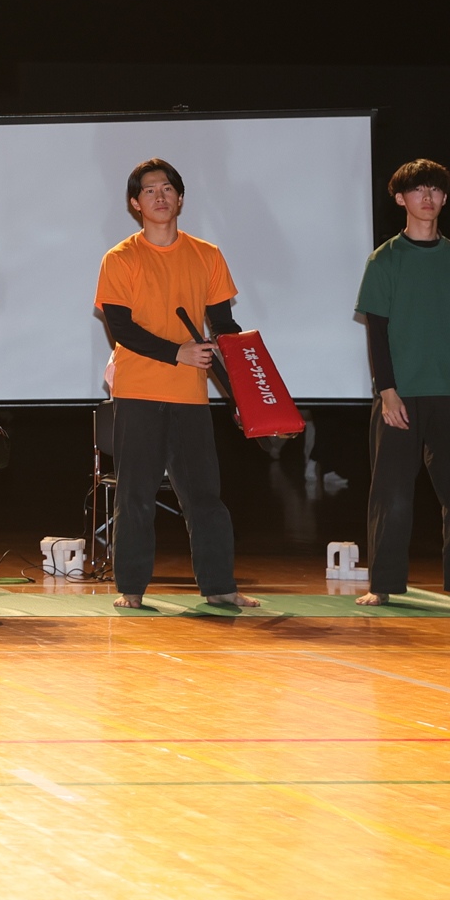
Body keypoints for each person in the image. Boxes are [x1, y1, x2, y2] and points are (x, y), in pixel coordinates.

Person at [94, 157, 259, 611]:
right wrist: (178, 352)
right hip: (138, 393)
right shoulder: (120, 258)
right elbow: (121, 329)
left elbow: (223, 326)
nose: (159, 196)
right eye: (149, 190)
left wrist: (247, 388)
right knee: (136, 496)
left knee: (204, 496)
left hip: (190, 396)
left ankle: (220, 586)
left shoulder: (207, 254)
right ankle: (131, 588)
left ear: (181, 197)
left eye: (167, 188)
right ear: (135, 203)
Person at [355, 159, 450, 607]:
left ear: (444, 198)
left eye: (435, 190)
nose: (427, 197)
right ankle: (382, 585)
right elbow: (376, 331)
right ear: (401, 199)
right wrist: (387, 391)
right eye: (418, 190)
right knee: (392, 494)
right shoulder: (384, 259)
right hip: (400, 394)